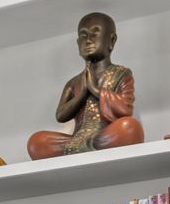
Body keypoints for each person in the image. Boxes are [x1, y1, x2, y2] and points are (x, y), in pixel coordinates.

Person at [26, 12, 145, 159]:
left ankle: (90, 146)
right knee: (36, 141)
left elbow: (125, 109)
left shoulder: (122, 73)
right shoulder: (74, 82)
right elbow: (60, 115)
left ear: (112, 40)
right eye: (83, 36)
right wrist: (82, 94)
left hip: (104, 136)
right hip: (75, 138)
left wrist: (95, 90)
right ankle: (82, 147)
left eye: (95, 34)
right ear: (77, 44)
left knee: (130, 127)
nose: (88, 40)